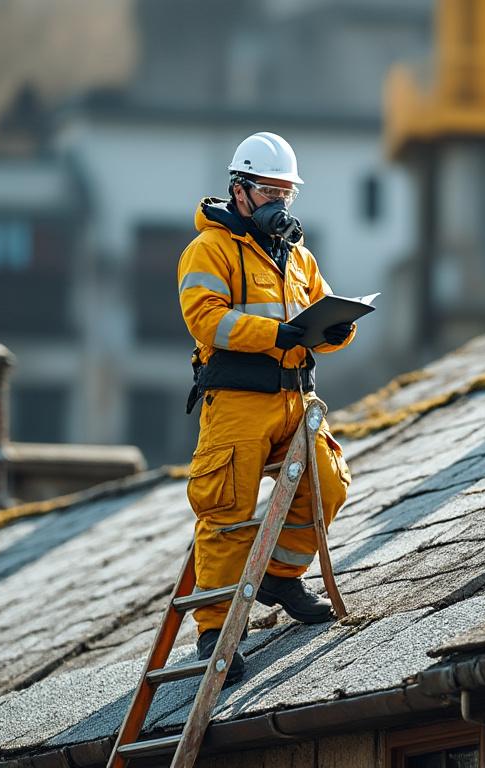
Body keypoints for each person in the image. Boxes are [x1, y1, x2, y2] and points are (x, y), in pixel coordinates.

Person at [177, 131, 355, 684]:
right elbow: (208, 320)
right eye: (270, 191)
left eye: (287, 192)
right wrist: (275, 334)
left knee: (328, 479)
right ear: (241, 190)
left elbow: (316, 318)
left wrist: (338, 330)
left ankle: (281, 573)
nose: (280, 202)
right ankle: (213, 633)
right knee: (227, 510)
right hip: (237, 402)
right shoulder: (208, 250)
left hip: (295, 397)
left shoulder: (299, 256)